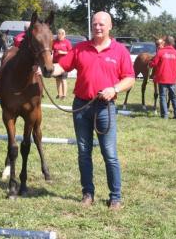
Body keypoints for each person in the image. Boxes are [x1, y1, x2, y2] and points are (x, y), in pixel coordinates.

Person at [38, 11, 135, 210]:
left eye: (101, 24)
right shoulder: (80, 48)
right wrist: (46, 70)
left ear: (110, 26)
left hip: (105, 108)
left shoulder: (120, 51)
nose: (97, 27)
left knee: (110, 153)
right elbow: (61, 67)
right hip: (82, 106)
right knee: (84, 152)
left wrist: (114, 89)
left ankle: (115, 197)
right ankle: (87, 193)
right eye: (94, 24)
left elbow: (130, 78)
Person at [149, 36, 176, 119]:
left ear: (165, 43)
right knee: (174, 97)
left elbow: (153, 64)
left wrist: (150, 63)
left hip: (162, 78)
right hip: (173, 79)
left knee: (163, 96)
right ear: (173, 43)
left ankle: (165, 115)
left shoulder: (160, 52)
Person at [52, 28, 72, 99]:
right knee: (57, 79)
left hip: (64, 63)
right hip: (55, 62)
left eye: (61, 34)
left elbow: (71, 53)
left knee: (63, 79)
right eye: (58, 34)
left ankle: (64, 95)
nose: (59, 35)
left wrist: (63, 52)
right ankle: (59, 94)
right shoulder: (54, 42)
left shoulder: (67, 42)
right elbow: (51, 50)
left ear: (64, 35)